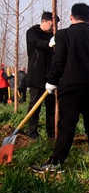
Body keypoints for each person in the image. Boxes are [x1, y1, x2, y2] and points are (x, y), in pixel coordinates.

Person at [31, 3, 89, 172]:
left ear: (71, 17)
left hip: (70, 87)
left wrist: (51, 80)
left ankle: (56, 162)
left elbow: (58, 60)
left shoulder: (63, 35)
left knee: (67, 125)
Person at [26, 11, 59, 139]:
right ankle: (32, 133)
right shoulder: (32, 32)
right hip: (37, 75)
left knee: (51, 108)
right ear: (43, 21)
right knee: (35, 106)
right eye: (50, 25)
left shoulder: (54, 35)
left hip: (51, 76)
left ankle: (51, 133)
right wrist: (48, 44)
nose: (52, 29)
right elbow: (36, 42)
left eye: (54, 27)